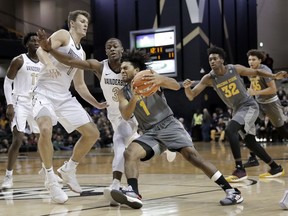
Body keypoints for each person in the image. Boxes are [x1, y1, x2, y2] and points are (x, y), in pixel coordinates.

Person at [36, 32, 176, 205]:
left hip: (136, 112)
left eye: (115, 46)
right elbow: (72, 62)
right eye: (108, 47)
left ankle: (115, 184)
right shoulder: (100, 67)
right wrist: (50, 50)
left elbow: (154, 85)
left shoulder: (132, 69)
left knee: (119, 142)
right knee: (131, 145)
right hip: (116, 115)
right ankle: (164, 146)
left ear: (122, 49)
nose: (111, 49)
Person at [109, 49, 243, 209]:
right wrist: (135, 97)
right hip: (150, 133)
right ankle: (133, 193)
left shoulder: (151, 78)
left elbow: (174, 86)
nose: (122, 71)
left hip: (168, 125)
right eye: (121, 69)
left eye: (125, 68)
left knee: (193, 157)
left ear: (137, 70)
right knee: (130, 153)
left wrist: (160, 79)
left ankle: (232, 191)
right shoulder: (123, 93)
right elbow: (126, 114)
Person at [34, 10, 107, 204]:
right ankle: (50, 179)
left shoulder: (82, 52)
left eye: (87, 22)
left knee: (93, 133)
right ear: (72, 23)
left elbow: (80, 85)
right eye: (82, 21)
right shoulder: (63, 34)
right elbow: (42, 49)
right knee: (45, 129)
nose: (85, 25)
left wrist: (96, 103)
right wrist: (49, 64)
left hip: (64, 96)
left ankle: (68, 169)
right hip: (43, 92)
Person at [183, 46, 286, 183]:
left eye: (214, 59)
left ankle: (240, 169)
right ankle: (275, 167)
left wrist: (273, 76)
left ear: (222, 60)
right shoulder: (209, 78)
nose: (212, 61)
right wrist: (186, 88)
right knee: (250, 142)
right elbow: (192, 96)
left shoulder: (234, 69)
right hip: (237, 110)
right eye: (210, 60)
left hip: (249, 106)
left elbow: (255, 71)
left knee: (230, 129)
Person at [1, 32, 42, 189]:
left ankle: (47, 171)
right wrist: (9, 104)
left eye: (38, 40)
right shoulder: (19, 60)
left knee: (43, 138)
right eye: (32, 40)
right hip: (20, 102)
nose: (36, 42)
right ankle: (8, 177)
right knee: (18, 139)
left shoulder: (44, 62)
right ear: (26, 44)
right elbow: (7, 83)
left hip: (36, 103)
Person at [243, 49, 288, 168]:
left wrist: (255, 92)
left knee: (282, 131)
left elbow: (273, 90)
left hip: (271, 103)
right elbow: (253, 82)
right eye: (249, 59)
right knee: (248, 126)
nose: (250, 62)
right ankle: (253, 157)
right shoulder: (249, 71)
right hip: (258, 103)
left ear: (260, 60)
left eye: (253, 59)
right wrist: (251, 92)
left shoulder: (265, 70)